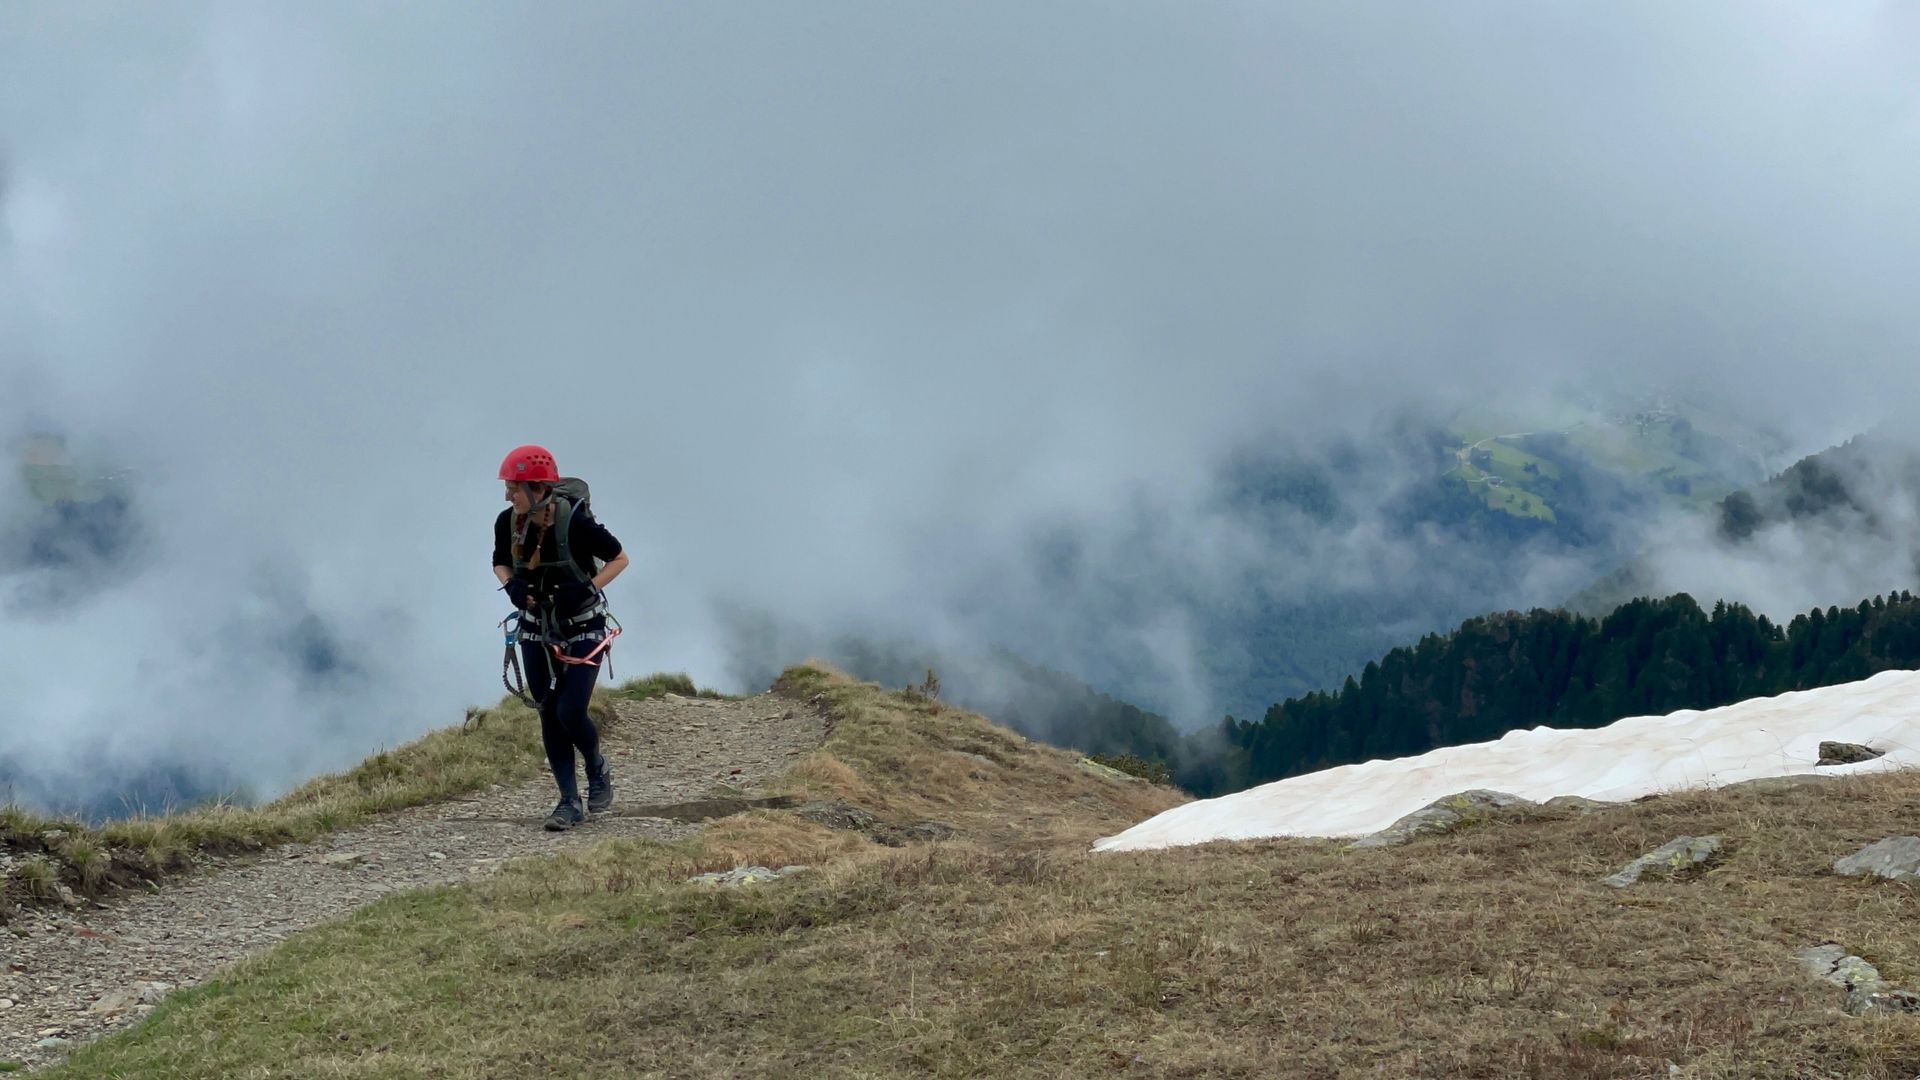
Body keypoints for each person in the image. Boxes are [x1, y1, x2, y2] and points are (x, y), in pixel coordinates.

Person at [492, 445, 631, 831]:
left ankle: (597, 766)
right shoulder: (508, 523)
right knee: (547, 711)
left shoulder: (577, 525)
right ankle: (569, 801)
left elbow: (620, 558)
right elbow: (499, 561)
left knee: (570, 710)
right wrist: (512, 587)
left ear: (538, 489)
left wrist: (587, 588)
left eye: (514, 488)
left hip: (584, 627)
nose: (508, 496)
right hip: (536, 626)